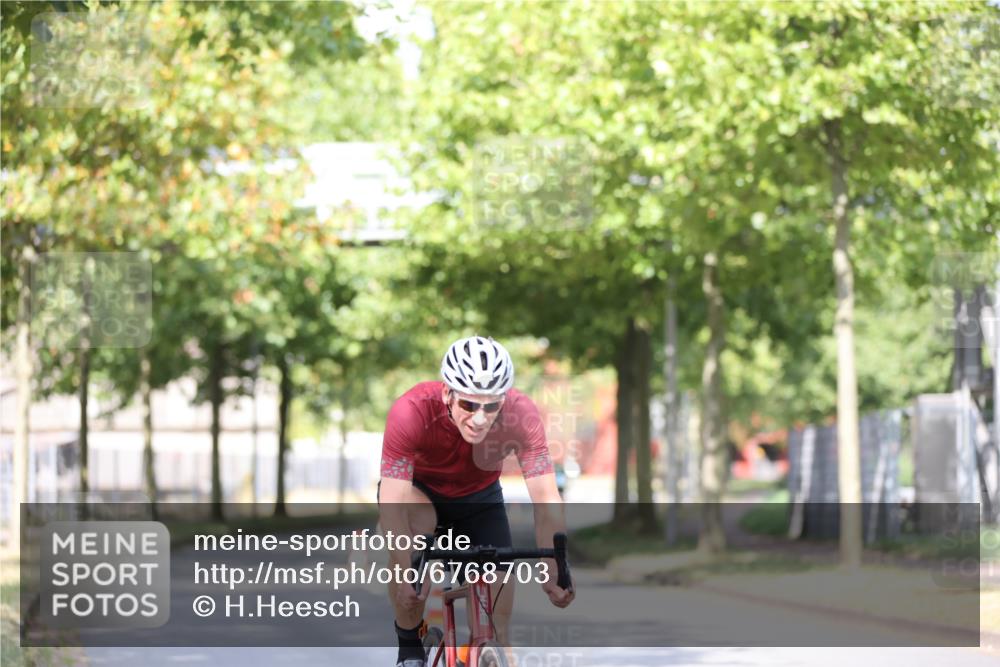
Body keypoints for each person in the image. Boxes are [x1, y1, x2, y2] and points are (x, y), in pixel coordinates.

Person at [378, 335, 575, 667]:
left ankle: (484, 652)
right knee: (413, 567)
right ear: (447, 394)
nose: (481, 417)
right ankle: (410, 650)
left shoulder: (521, 414)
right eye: (469, 404)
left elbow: (545, 497)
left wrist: (554, 566)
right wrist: (403, 563)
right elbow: (393, 500)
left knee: (497, 624)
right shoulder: (411, 411)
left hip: (478, 499)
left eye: (491, 406)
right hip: (419, 494)